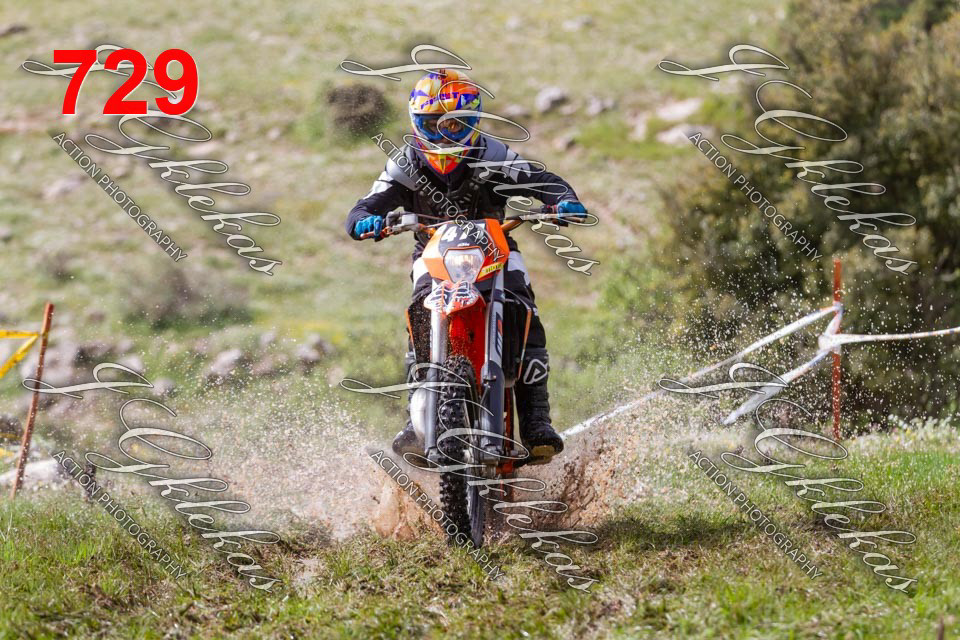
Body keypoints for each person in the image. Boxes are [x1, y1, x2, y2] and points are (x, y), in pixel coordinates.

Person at [345, 69, 588, 461]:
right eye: (433, 124)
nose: (445, 135)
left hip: (496, 249)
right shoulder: (405, 163)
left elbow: (543, 180)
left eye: (456, 125)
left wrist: (564, 201)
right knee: (419, 314)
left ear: (473, 121)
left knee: (526, 310)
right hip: (433, 255)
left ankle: (536, 419)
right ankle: (414, 418)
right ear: (416, 122)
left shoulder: (493, 155)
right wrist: (365, 221)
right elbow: (367, 204)